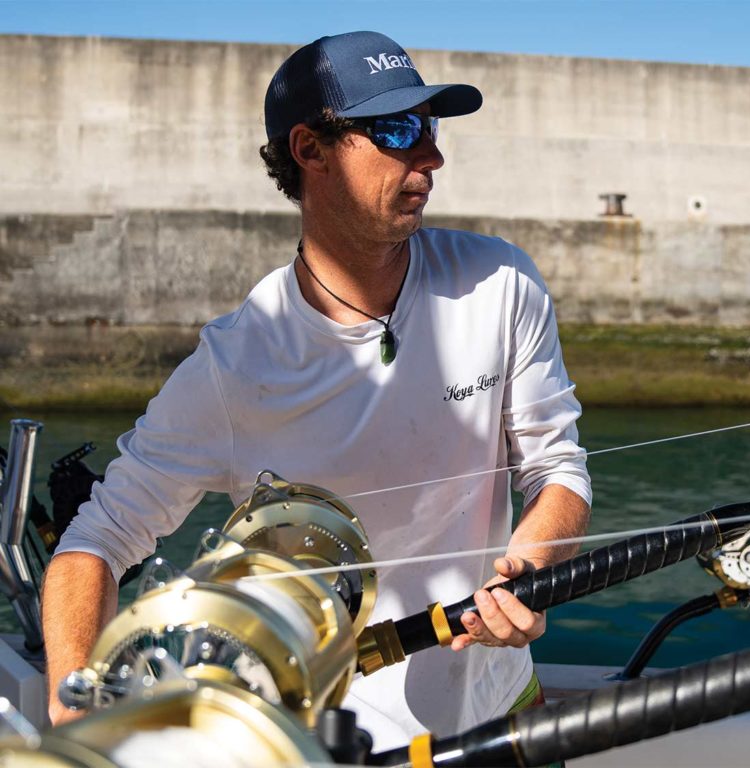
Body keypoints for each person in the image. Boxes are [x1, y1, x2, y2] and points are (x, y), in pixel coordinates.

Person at [41, 31, 591, 750]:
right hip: (313, 739)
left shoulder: (501, 282)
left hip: (501, 711)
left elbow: (560, 471)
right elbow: (95, 541)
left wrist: (529, 566)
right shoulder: (234, 366)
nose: (431, 157)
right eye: (397, 130)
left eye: (429, 129)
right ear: (309, 149)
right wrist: (74, 707)